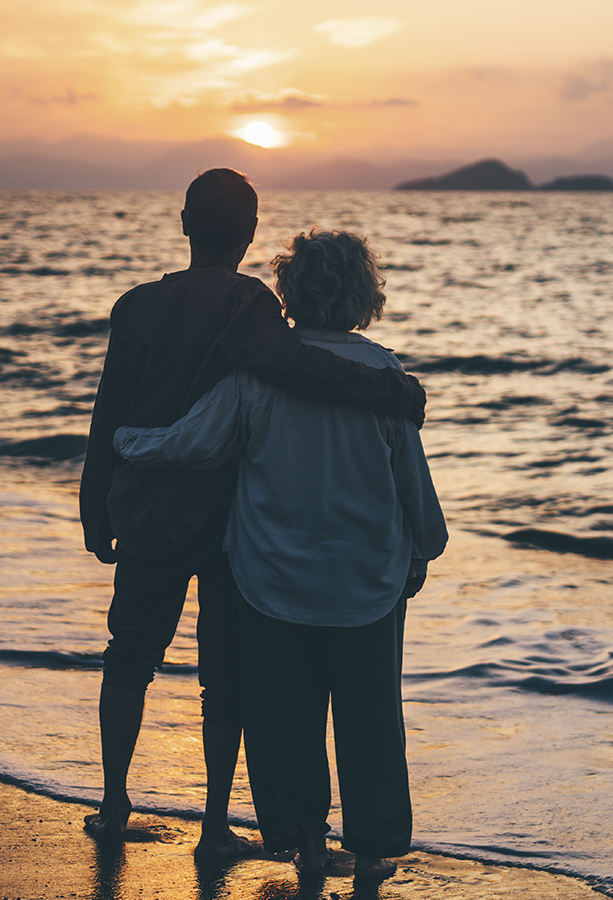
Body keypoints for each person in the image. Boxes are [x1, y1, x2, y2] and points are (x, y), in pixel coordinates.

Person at [78, 171, 426, 860]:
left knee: (129, 659)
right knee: (224, 678)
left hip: (146, 510)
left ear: (184, 223)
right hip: (224, 521)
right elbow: (293, 366)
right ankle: (214, 825)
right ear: (251, 231)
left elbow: (107, 411)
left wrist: (95, 505)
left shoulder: (135, 305)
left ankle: (114, 804)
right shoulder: (250, 304)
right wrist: (389, 390)